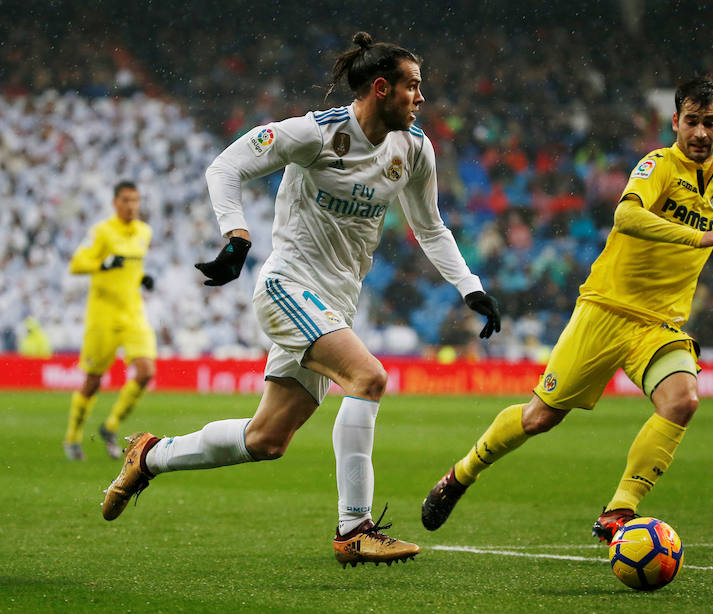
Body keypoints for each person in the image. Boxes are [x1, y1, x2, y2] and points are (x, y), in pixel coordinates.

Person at [102, 32, 501, 568]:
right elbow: (225, 167)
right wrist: (237, 237)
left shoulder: (414, 149)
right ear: (381, 88)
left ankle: (151, 455)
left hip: (335, 303)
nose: (421, 98)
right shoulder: (314, 133)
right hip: (288, 287)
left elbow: (431, 229)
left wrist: (470, 286)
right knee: (370, 378)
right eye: (413, 87)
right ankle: (354, 529)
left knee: (267, 439)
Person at [421, 77, 713, 543]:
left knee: (682, 400)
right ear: (675, 122)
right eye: (691, 122)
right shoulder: (658, 165)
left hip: (660, 324)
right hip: (606, 309)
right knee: (539, 418)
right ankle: (461, 474)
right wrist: (696, 236)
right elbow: (625, 216)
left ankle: (619, 511)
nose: (700, 133)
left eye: (709, 123)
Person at [63, 181, 157, 461]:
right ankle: (72, 437)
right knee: (93, 381)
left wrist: (142, 278)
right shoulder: (101, 232)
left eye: (136, 200)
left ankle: (110, 426)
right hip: (103, 316)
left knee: (146, 371)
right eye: (126, 200)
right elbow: (77, 263)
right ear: (116, 202)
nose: (132, 206)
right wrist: (102, 264)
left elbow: (131, 267)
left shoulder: (144, 231)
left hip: (133, 315)